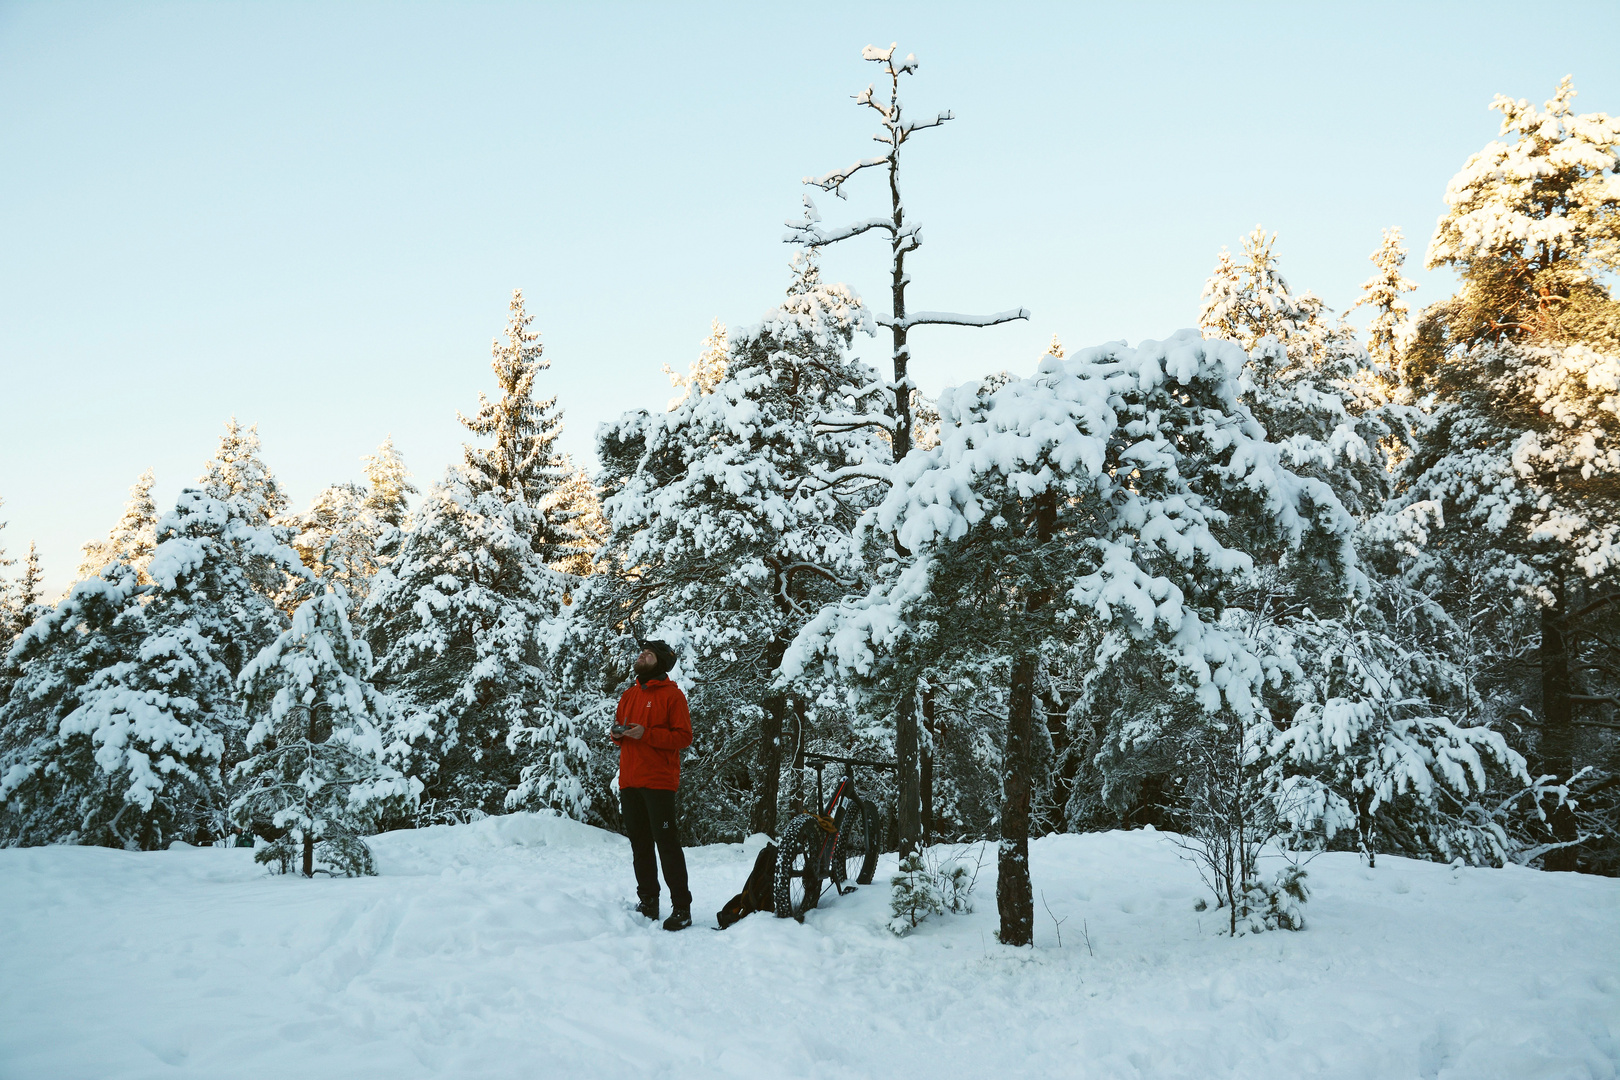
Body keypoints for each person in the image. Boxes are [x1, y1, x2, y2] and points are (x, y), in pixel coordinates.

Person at [611, 639, 694, 930]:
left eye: (648, 654)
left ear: (660, 662)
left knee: (667, 845)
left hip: (658, 781)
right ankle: (648, 902)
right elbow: (621, 727)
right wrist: (618, 734)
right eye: (642, 653)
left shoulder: (673, 696)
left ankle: (682, 908)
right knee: (640, 845)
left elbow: (683, 737)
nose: (642, 656)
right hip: (630, 780)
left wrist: (646, 734)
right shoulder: (629, 694)